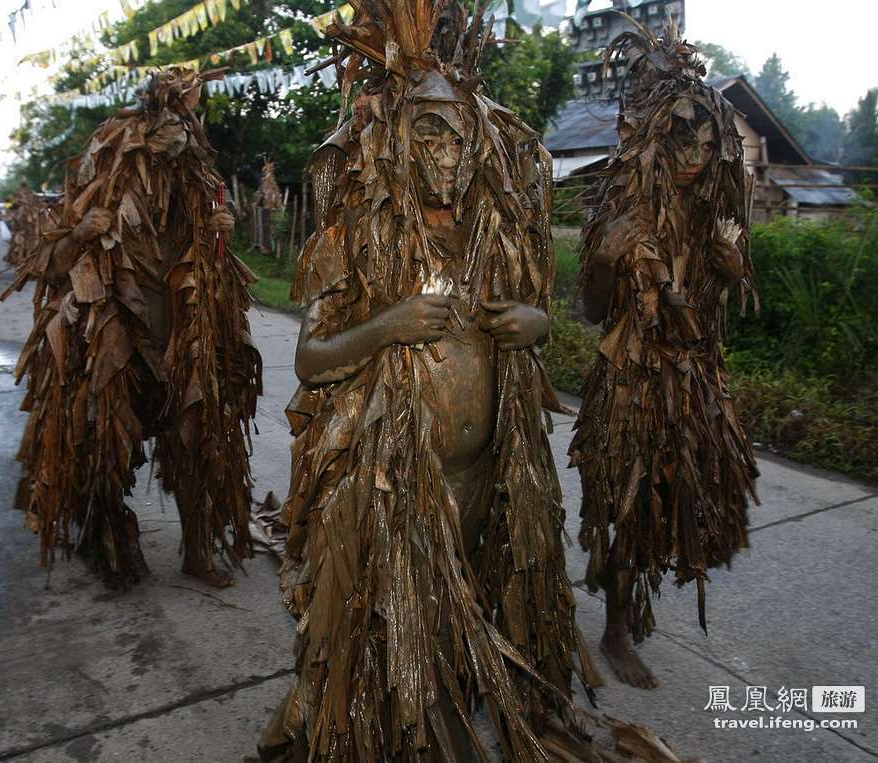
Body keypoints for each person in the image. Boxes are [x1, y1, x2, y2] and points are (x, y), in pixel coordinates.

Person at [255, 1, 610, 759]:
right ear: (392, 141)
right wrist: (388, 324)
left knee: (469, 605)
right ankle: (335, 711)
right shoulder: (350, 234)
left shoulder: (497, 233)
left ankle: (467, 692)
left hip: (487, 472)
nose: (443, 155)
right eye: (425, 134)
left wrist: (532, 323)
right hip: (389, 480)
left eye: (456, 137)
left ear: (478, 142)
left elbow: (543, 315)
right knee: (366, 625)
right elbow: (312, 362)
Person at [3, 68, 261, 589]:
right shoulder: (101, 188)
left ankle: (195, 552)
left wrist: (221, 238)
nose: (172, 147)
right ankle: (113, 544)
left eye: (182, 134)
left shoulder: (196, 192)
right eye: (162, 136)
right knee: (106, 455)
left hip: (182, 348)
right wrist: (79, 233)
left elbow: (215, 275)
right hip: (116, 352)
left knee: (194, 453)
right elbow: (47, 264)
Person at [569, 21, 760, 690]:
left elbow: (706, 318)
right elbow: (591, 309)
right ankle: (617, 626)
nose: (697, 155)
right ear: (659, 133)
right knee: (625, 504)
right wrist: (603, 256)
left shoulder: (713, 216)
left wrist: (727, 269)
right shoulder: (624, 206)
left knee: (671, 504)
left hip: (691, 384)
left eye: (710, 144)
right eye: (686, 139)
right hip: (629, 384)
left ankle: (633, 605)